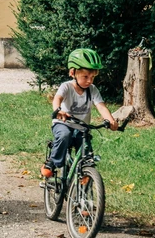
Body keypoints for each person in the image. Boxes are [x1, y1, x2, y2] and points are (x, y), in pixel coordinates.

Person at [42, 48, 116, 178]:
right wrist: (58, 111)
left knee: (87, 153)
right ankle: (52, 162)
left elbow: (101, 106)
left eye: (92, 77)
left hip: (82, 128)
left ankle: (86, 176)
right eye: (85, 77)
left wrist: (110, 120)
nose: (89, 81)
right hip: (63, 123)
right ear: (73, 73)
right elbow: (57, 98)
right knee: (64, 135)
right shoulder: (66, 86)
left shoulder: (92, 90)